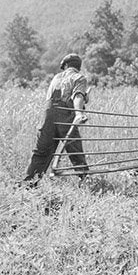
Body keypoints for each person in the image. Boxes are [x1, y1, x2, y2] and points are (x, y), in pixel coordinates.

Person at [22, 53, 90, 185]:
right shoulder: (79, 77)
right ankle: (85, 180)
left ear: (64, 65)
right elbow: (78, 96)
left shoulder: (56, 78)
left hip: (48, 116)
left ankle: (29, 182)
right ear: (78, 67)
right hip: (65, 114)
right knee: (74, 149)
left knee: (41, 151)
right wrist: (78, 113)